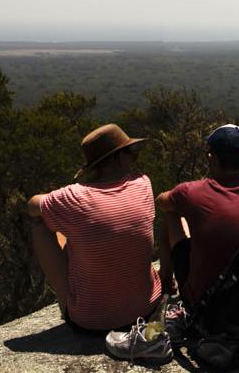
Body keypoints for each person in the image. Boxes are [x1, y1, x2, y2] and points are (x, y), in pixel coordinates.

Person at [27, 123, 162, 333]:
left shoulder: (73, 198)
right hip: (147, 308)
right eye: (130, 153)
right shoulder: (143, 183)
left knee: (42, 221)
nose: (134, 158)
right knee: (77, 229)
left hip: (92, 322)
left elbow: (31, 205)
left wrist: (56, 200)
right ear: (118, 157)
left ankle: (67, 304)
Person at [155, 124, 239, 309]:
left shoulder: (191, 192)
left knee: (172, 214)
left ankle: (165, 281)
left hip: (205, 308)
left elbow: (160, 201)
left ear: (211, 158)